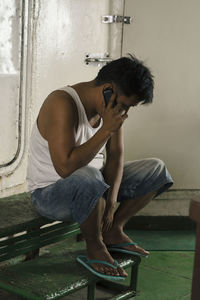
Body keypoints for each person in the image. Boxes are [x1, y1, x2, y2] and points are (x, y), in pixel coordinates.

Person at [27, 55, 173, 280]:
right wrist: (106, 130)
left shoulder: (112, 112)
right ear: (107, 89)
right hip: (51, 194)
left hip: (95, 187)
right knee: (90, 177)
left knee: (156, 169)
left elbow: (115, 155)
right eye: (124, 105)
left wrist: (112, 200)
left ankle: (113, 230)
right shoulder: (62, 102)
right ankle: (94, 245)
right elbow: (65, 168)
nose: (125, 113)